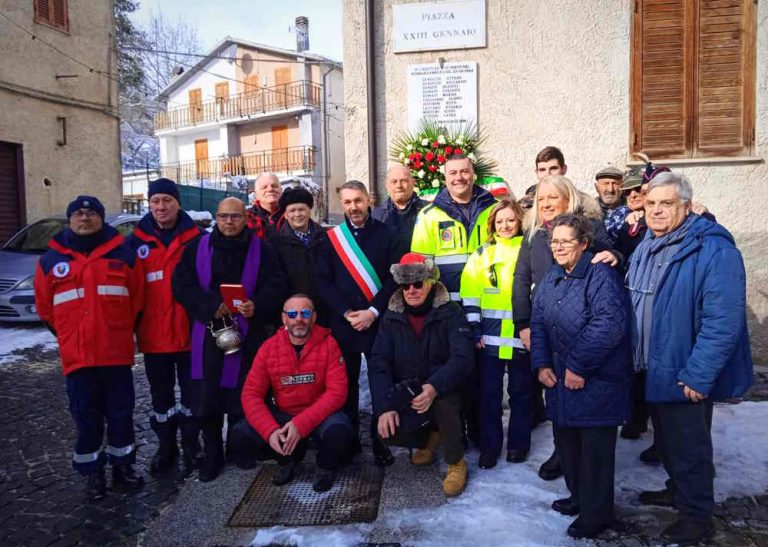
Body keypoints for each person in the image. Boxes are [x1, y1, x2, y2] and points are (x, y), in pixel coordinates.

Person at [627, 172, 752, 545]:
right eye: (651, 203)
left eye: (667, 204)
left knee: (690, 448)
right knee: (666, 441)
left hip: (684, 370)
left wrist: (699, 375)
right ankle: (676, 490)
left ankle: (697, 517)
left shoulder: (713, 249)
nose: (657, 211)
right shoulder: (648, 244)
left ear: (686, 205)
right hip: (653, 365)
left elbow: (723, 320)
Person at [34, 196, 145, 500]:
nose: (85, 218)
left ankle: (123, 466)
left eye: (91, 213)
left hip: (115, 352)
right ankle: (92, 473)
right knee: (86, 416)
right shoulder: (51, 261)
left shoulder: (124, 254)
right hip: (78, 356)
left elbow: (137, 300)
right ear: (69, 220)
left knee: (121, 413)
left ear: (101, 218)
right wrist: (70, 336)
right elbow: (45, 309)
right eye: (79, 214)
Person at [513, 175, 622, 481]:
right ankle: (564, 453)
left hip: (580, 324)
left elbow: (613, 256)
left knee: (579, 394)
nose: (546, 204)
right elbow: (521, 280)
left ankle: (579, 467)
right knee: (554, 392)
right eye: (541, 199)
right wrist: (523, 323)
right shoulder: (533, 233)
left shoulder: (588, 228)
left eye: (553, 198)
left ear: (568, 200)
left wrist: (615, 255)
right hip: (546, 323)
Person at [531, 213, 631, 539]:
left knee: (595, 454)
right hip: (560, 380)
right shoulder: (553, 276)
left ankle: (597, 514)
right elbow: (539, 322)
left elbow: (608, 324)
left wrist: (577, 366)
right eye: (554, 241)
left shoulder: (600, 275)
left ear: (584, 243)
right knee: (568, 446)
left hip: (594, 381)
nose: (558, 247)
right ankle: (579, 498)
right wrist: (542, 364)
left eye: (566, 241)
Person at [172, 197, 286, 482]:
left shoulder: (263, 250)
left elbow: (277, 284)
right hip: (208, 333)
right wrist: (210, 306)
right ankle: (213, 454)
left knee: (243, 392)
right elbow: (181, 285)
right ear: (216, 218)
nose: (229, 222)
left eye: (235, 217)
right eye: (223, 217)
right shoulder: (196, 249)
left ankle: (239, 448)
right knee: (208, 394)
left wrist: (257, 305)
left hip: (248, 331)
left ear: (245, 219)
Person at [368, 253, 475, 497]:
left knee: (445, 403)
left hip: (444, 386)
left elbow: (463, 358)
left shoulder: (450, 312)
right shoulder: (391, 317)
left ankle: (456, 460)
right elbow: (379, 362)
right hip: (409, 386)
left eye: (418, 284)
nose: (412, 290)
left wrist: (434, 387)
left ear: (430, 283)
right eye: (406, 285)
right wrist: (385, 406)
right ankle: (429, 437)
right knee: (385, 429)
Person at [230, 294, 353, 492]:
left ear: (313, 317)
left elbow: (337, 393)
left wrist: (301, 424)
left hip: (319, 414)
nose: (299, 319)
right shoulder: (268, 348)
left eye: (305, 313)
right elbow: (251, 394)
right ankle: (287, 459)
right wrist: (270, 431)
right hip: (284, 414)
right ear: (284, 318)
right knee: (241, 434)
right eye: (293, 314)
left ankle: (325, 467)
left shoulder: (329, 344)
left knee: (340, 431)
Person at [315, 181, 399, 466]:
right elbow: (322, 281)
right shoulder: (331, 239)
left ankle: (381, 441)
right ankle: (348, 441)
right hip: (345, 324)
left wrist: (373, 311)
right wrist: (346, 313)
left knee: (380, 381)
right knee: (345, 385)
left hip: (378, 323)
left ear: (369, 200)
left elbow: (393, 278)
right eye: (348, 202)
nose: (354, 207)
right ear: (343, 205)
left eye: (359, 201)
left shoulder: (387, 234)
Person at [127, 178, 203, 476]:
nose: (161, 206)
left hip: (189, 336)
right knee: (161, 399)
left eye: (167, 200)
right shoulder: (134, 243)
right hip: (153, 337)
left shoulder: (197, 239)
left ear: (178, 203)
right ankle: (166, 446)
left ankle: (192, 444)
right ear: (149, 203)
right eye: (155, 201)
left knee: (192, 396)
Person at [459, 199, 531, 468]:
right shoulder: (482, 253)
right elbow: (470, 293)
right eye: (499, 221)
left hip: (521, 337)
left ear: (520, 221)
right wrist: (474, 328)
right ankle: (490, 448)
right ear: (492, 224)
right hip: (487, 339)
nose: (505, 225)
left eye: (510, 220)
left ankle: (518, 445)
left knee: (521, 394)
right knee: (489, 396)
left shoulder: (529, 249)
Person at [410, 154, 496, 302]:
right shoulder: (428, 216)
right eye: (453, 173)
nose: (459, 177)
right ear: (445, 178)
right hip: (448, 305)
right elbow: (420, 268)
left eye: (464, 171)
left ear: (473, 174)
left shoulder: (495, 210)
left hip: (489, 300)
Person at [270, 186, 328, 324]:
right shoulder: (276, 243)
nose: (297, 214)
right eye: (292, 210)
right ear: (285, 214)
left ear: (309, 210)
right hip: (292, 313)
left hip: (323, 310)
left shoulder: (325, 238)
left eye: (301, 209)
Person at [372, 164, 428, 259]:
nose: (399, 185)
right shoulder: (376, 215)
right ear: (387, 185)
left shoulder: (428, 211)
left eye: (404, 181)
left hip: (421, 270)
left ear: (413, 182)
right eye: (394, 182)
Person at [246, 172, 283, 238]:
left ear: (281, 190)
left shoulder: (292, 215)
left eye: (274, 186)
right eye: (264, 187)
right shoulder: (247, 218)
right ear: (256, 194)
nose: (270, 189)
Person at [593, 165, 626, 232]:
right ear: (597, 188)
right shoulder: (588, 213)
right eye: (605, 183)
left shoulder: (631, 210)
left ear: (622, 187)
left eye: (615, 184)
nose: (610, 189)